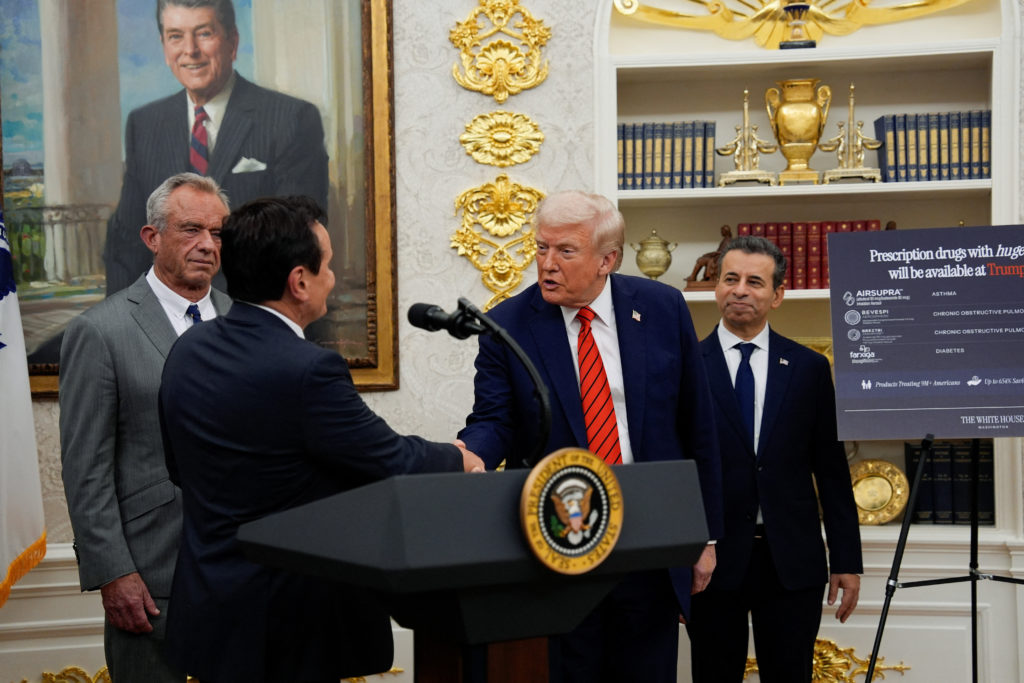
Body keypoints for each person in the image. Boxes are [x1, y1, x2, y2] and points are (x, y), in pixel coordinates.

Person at [158, 195, 485, 683]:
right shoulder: (308, 369)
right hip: (287, 622)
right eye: (327, 265)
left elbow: (177, 469)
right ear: (299, 281)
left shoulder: (189, 347)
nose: (332, 277)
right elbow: (387, 457)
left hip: (213, 608)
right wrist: (458, 458)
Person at [458, 190, 723, 683]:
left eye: (565, 251)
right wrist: (469, 452)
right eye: (541, 248)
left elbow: (697, 426)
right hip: (559, 538)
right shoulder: (507, 325)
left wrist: (705, 535)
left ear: (608, 260)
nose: (547, 263)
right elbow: (494, 420)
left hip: (651, 537)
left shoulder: (662, 308)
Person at [59, 172, 232, 682]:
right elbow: (85, 468)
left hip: (241, 573)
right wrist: (113, 570)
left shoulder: (243, 320)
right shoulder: (100, 331)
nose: (207, 245)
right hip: (151, 577)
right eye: (191, 229)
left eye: (217, 233)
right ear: (152, 237)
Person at [687, 236, 862, 683]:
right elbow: (674, 467)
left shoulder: (808, 368)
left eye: (754, 282)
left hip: (792, 561)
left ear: (777, 294)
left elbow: (831, 470)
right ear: (716, 288)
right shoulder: (686, 366)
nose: (740, 290)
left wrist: (846, 559)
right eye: (730, 279)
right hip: (710, 561)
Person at [103, 0, 329, 296]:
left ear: (232, 42)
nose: (190, 50)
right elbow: (126, 242)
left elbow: (293, 243)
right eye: (176, 36)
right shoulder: (144, 124)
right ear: (164, 47)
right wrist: (128, 317)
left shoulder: (291, 119)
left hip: (250, 309)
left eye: (204, 33)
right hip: (162, 310)